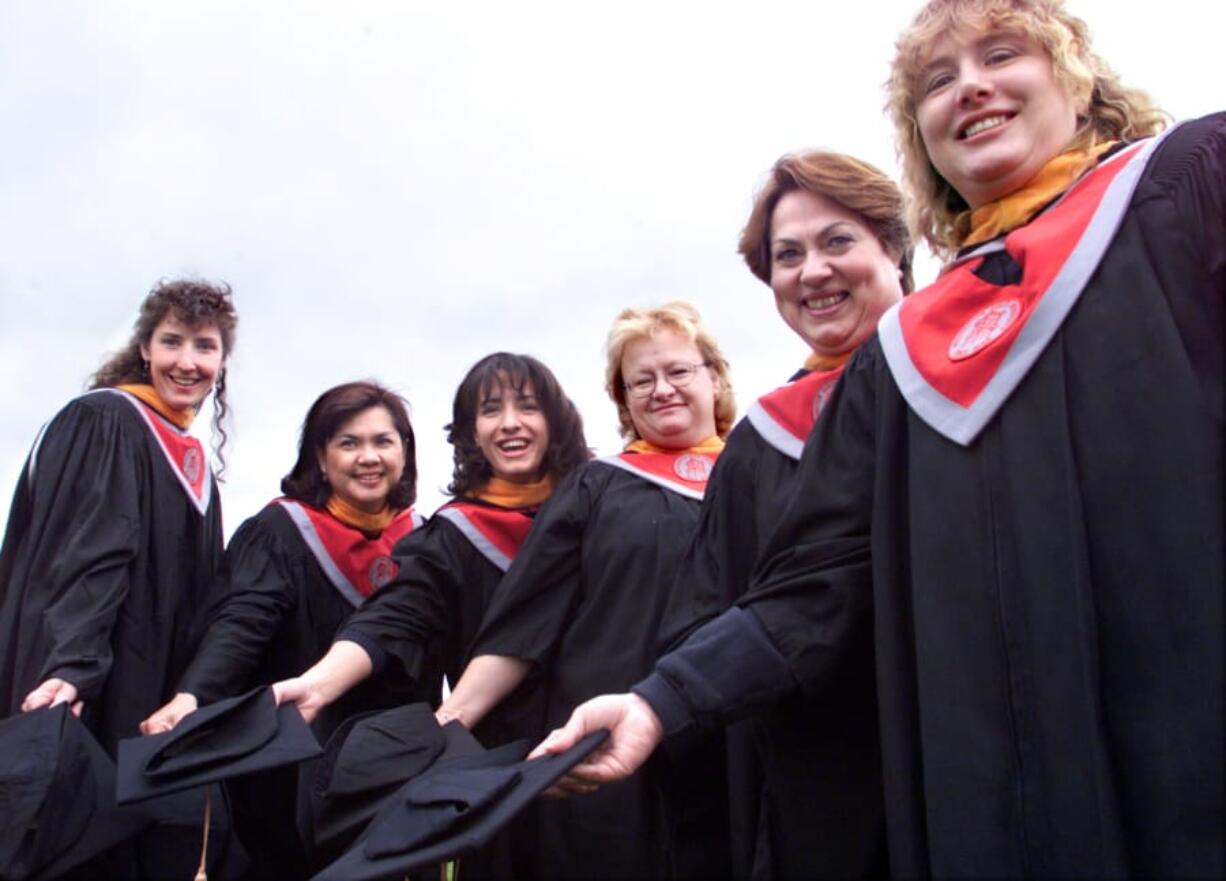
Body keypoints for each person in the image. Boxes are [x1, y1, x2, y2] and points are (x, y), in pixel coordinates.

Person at [537, 1, 1223, 878]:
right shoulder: (900, 367)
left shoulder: (1192, 186)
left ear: (1075, 74)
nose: (969, 87)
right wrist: (657, 699)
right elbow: (815, 583)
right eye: (937, 81)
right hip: (985, 806)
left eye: (1002, 54)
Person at [656, 151, 912, 880]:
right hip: (818, 791)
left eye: (839, 241)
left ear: (892, 247)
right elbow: (705, 614)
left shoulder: (963, 388)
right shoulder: (758, 446)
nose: (812, 272)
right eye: (787, 256)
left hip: (967, 747)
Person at [437, 301, 735, 880]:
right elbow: (526, 622)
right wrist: (450, 719)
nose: (662, 390)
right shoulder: (597, 487)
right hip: (608, 751)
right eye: (640, 381)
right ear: (623, 401)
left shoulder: (762, 470)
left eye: (678, 371)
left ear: (714, 377)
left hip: (732, 742)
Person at [271, 353, 590, 873]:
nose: (509, 422)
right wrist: (321, 682)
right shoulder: (454, 535)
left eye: (527, 406)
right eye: (490, 410)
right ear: (471, 432)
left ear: (555, 418)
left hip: (609, 747)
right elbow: (397, 615)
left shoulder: (603, 503)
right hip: (499, 764)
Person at [139, 380, 427, 880]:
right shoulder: (282, 532)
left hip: (396, 764)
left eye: (384, 441)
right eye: (348, 443)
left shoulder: (426, 542)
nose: (369, 457)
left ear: (405, 452)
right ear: (319, 455)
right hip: (296, 769)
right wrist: (194, 695)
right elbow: (241, 623)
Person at [0, 278, 240, 876]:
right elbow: (91, 553)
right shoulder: (106, 421)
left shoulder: (189, 455)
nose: (187, 362)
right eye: (172, 342)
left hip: (148, 682)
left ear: (222, 360)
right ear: (145, 349)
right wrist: (71, 667)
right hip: (92, 672)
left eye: (204, 347)